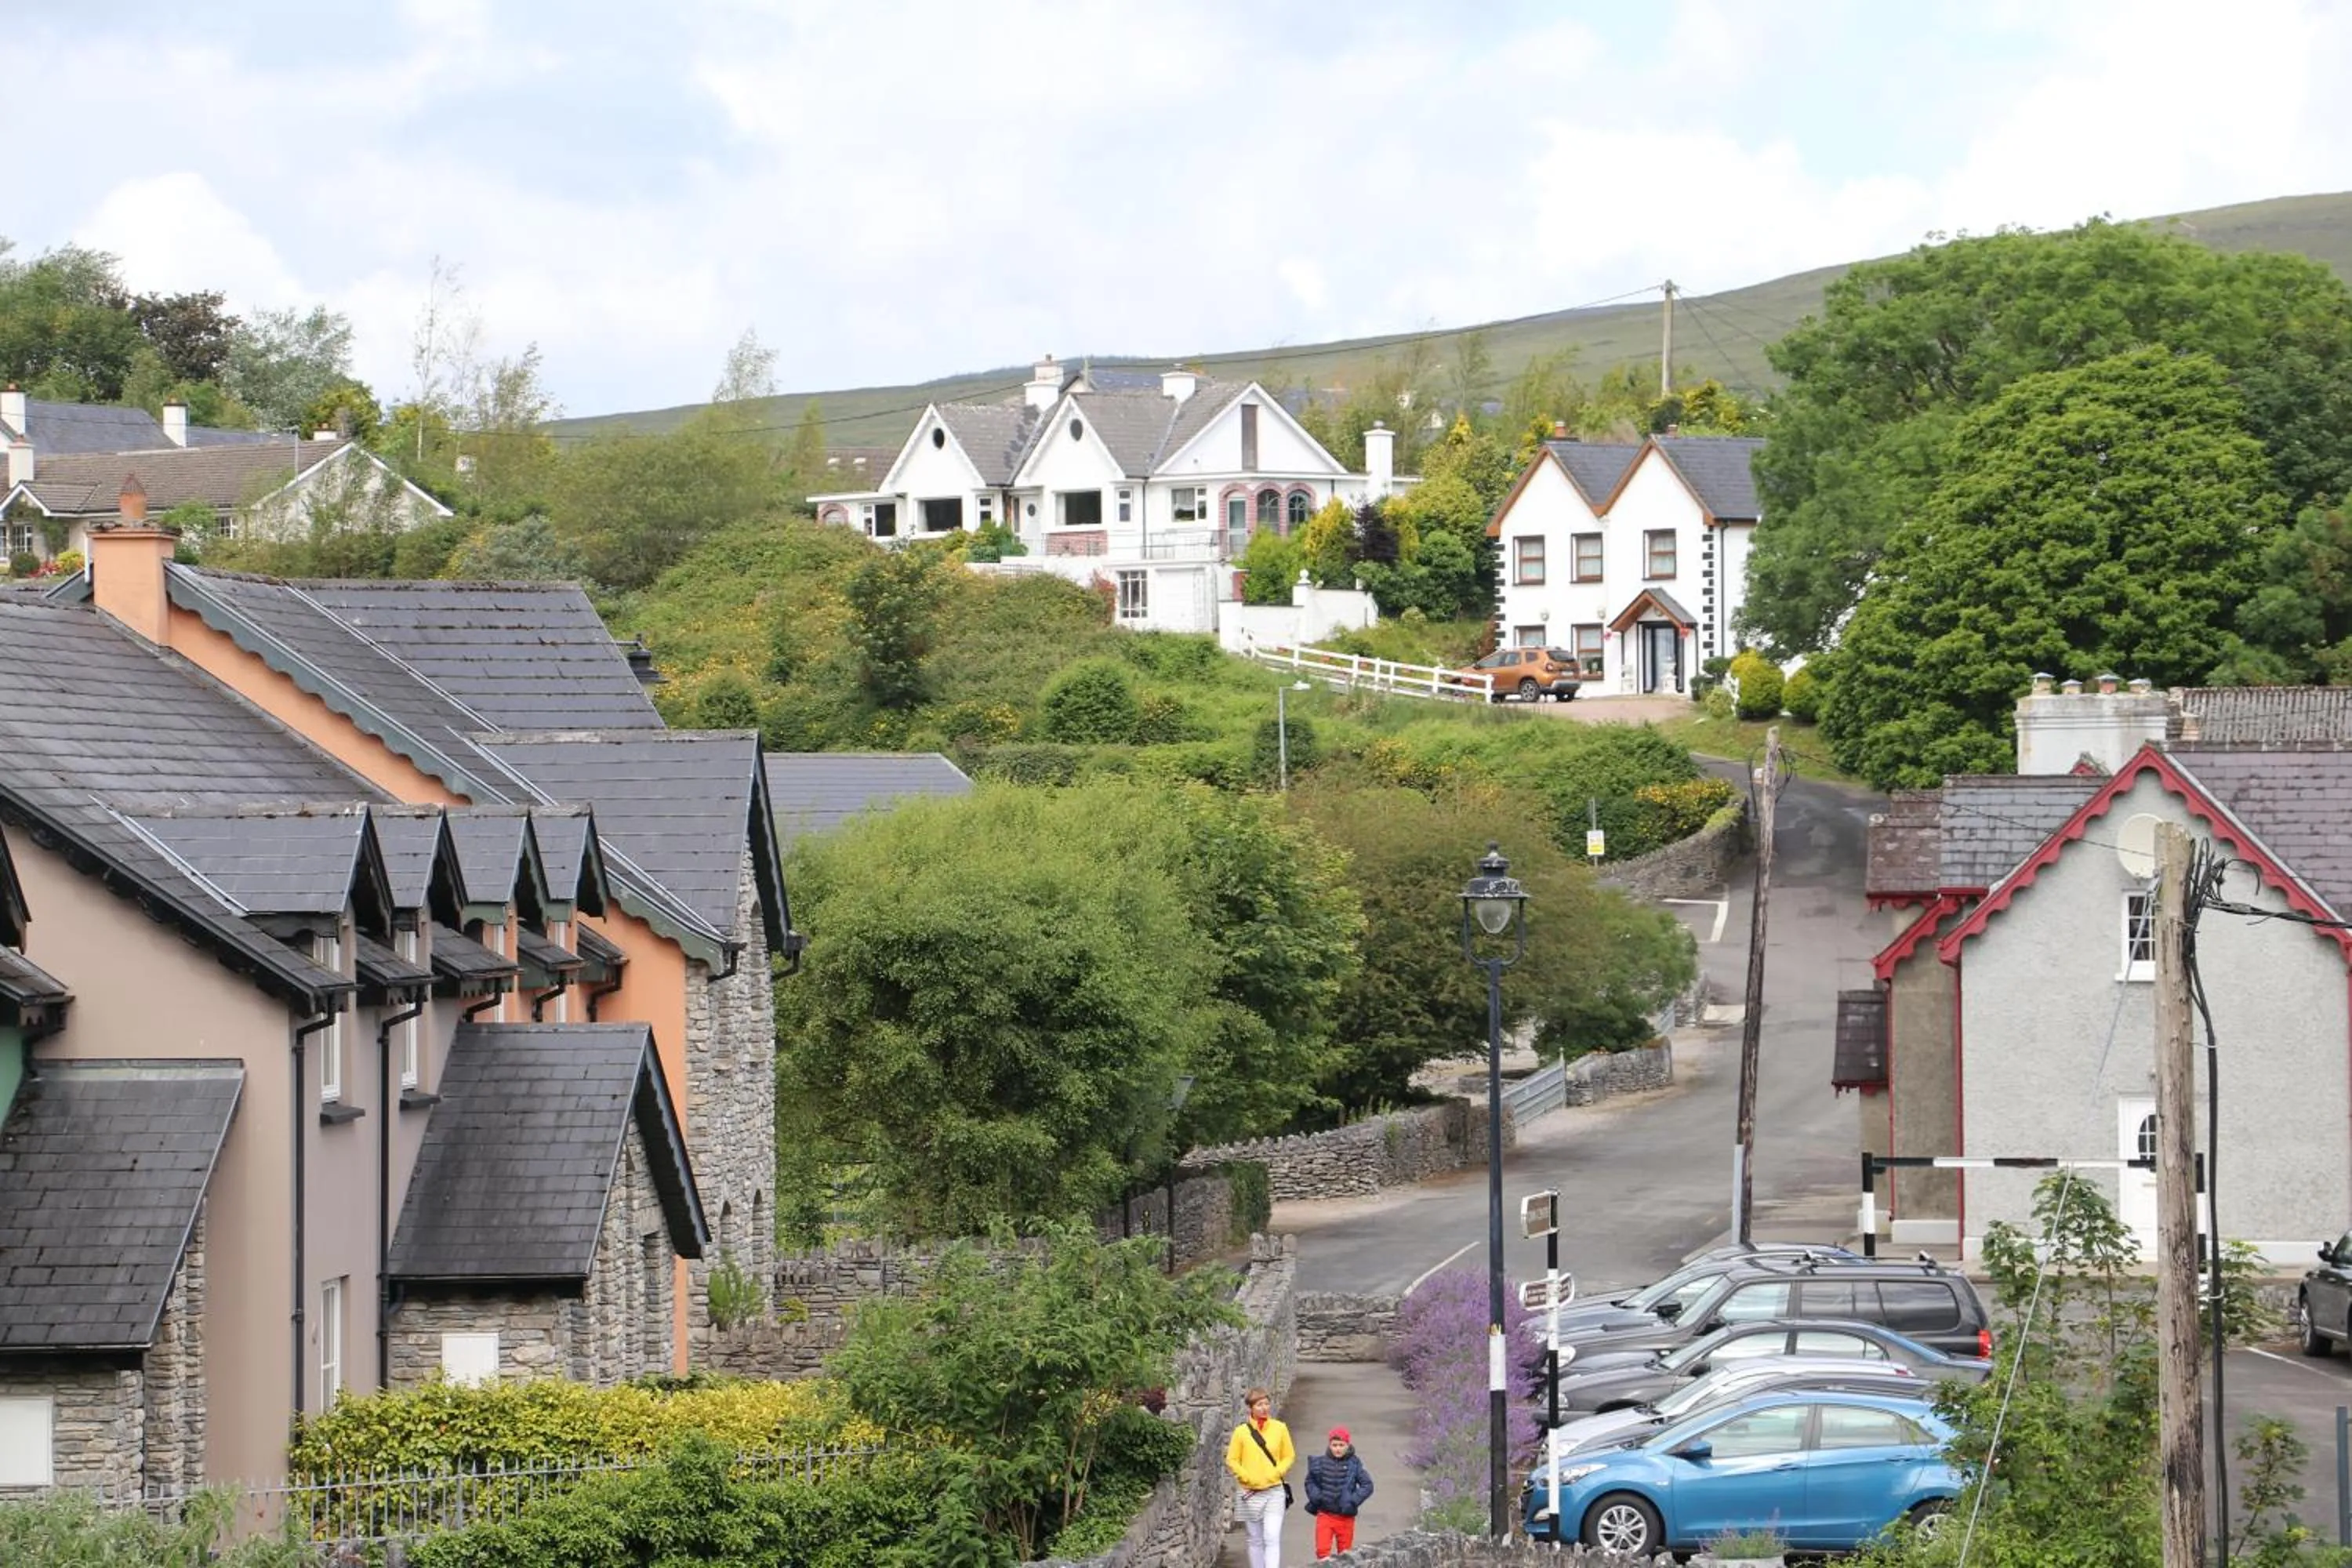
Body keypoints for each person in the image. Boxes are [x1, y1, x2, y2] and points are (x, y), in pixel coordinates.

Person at [1224, 1385, 1294, 1568]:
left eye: (1266, 1403)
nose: (1264, 1408)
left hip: (1274, 1491)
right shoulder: (1241, 1432)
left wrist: (1277, 1472)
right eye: (1259, 1405)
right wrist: (1246, 1477)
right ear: (1251, 1408)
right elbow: (1232, 1460)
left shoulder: (1280, 1428)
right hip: (1249, 1492)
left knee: (1271, 1536)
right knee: (1254, 1538)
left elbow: (1289, 1455)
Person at [1304, 1425, 1376, 1559]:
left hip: (1345, 1517)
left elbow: (1368, 1485)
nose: (1338, 1448)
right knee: (1322, 1551)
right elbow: (1310, 1482)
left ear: (1348, 1445)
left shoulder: (1354, 1464)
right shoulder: (1320, 1463)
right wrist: (1316, 1496)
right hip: (1325, 1515)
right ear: (1329, 1445)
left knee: (1345, 1554)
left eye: (1341, 1445)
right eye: (1334, 1445)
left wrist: (1353, 1501)